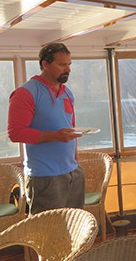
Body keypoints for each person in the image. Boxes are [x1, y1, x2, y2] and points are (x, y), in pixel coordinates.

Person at [7, 42, 84, 215]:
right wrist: (55, 136)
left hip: (73, 172)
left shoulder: (67, 93)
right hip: (45, 176)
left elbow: (71, 131)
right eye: (62, 64)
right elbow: (15, 133)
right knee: (48, 234)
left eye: (69, 64)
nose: (68, 70)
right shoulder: (26, 93)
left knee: (76, 228)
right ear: (45, 64)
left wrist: (76, 164)